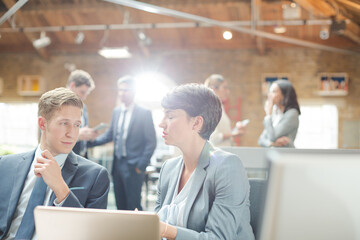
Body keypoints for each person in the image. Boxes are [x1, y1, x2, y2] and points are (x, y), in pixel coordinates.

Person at [0, 87, 110, 240]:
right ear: (42, 124)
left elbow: (93, 234)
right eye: (64, 123)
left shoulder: (96, 175)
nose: (71, 133)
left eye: (77, 125)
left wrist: (60, 187)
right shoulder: (5, 165)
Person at [156, 83, 254, 240]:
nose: (161, 123)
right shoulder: (169, 168)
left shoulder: (227, 167)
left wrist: (166, 230)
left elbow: (218, 237)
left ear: (196, 123)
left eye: (170, 116)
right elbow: (157, 227)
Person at [88, 75, 157, 211]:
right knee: (120, 203)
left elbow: (151, 142)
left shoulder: (144, 113)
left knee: (133, 204)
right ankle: (123, 232)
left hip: (134, 166)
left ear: (134, 92)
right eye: (120, 90)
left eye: (125, 90)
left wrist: (141, 165)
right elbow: (110, 135)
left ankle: (137, 232)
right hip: (117, 165)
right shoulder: (117, 111)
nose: (122, 93)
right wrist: (89, 142)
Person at [204, 74, 246, 146]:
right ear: (213, 89)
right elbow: (213, 138)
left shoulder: (220, 107)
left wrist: (235, 130)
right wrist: (233, 134)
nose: (228, 91)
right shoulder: (209, 109)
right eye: (225, 88)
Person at [258, 79, 301, 148]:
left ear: (284, 95)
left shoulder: (292, 114)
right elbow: (261, 140)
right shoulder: (276, 115)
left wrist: (268, 114)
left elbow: (272, 137)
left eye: (273, 91)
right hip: (275, 155)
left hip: (286, 156)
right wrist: (272, 144)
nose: (269, 95)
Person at [66, 69, 98, 157]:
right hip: (65, 159)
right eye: (82, 92)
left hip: (81, 157)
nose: (84, 97)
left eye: (86, 94)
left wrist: (89, 135)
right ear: (72, 86)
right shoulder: (57, 105)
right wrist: (77, 135)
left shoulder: (83, 107)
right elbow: (52, 136)